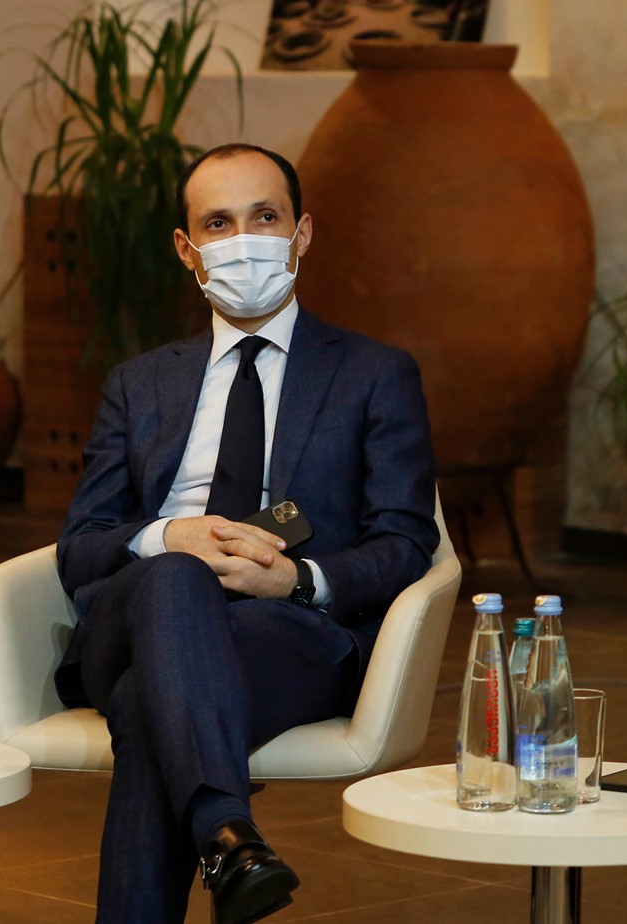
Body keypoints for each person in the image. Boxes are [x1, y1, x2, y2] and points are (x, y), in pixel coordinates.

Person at [55, 143, 439, 924]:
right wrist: (172, 537)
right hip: (136, 617)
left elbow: (406, 541)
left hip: (288, 632)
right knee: (175, 574)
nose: (244, 240)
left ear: (302, 233)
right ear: (186, 248)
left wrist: (297, 580)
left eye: (264, 217)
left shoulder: (375, 374)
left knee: (147, 707)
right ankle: (227, 835)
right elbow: (82, 545)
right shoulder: (140, 382)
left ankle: (226, 839)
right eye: (218, 224)